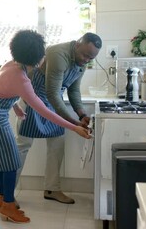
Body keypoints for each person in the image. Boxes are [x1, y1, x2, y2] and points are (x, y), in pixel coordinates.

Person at [0, 30, 92, 224]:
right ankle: (9, 206)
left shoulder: (12, 65)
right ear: (36, 57)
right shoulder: (21, 78)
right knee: (11, 161)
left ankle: (3, 201)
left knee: (6, 160)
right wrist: (74, 126)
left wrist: (16, 107)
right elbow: (44, 110)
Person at [15, 32, 102, 204]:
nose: (86, 60)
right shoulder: (57, 54)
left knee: (57, 144)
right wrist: (75, 124)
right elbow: (53, 94)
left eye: (90, 58)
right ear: (77, 44)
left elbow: (73, 90)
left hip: (52, 102)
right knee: (22, 146)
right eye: (85, 55)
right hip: (32, 99)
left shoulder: (82, 62)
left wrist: (82, 114)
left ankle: (51, 189)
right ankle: (7, 194)